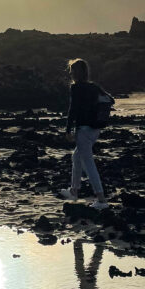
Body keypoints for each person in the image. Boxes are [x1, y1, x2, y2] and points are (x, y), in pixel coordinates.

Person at [60, 58, 111, 208]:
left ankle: (101, 200)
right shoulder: (94, 87)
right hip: (95, 129)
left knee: (88, 163)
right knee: (76, 156)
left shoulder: (76, 88)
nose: (71, 73)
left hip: (83, 129)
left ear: (76, 72)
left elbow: (73, 110)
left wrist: (68, 129)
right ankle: (74, 191)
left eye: (72, 71)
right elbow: (110, 100)